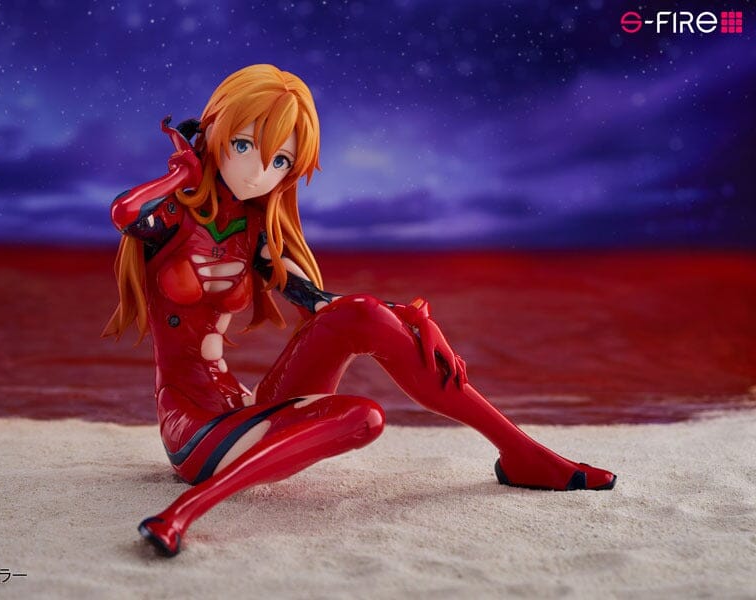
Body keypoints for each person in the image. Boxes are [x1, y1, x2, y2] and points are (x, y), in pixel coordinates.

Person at [103, 64, 616, 558]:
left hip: (243, 407)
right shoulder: (170, 218)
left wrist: (413, 319)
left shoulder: (253, 230)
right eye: (243, 146)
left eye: (280, 162)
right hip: (192, 424)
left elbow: (322, 304)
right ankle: (183, 512)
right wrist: (181, 172)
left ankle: (521, 453)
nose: (260, 174)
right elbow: (125, 213)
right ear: (212, 131)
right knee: (363, 417)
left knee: (362, 312)